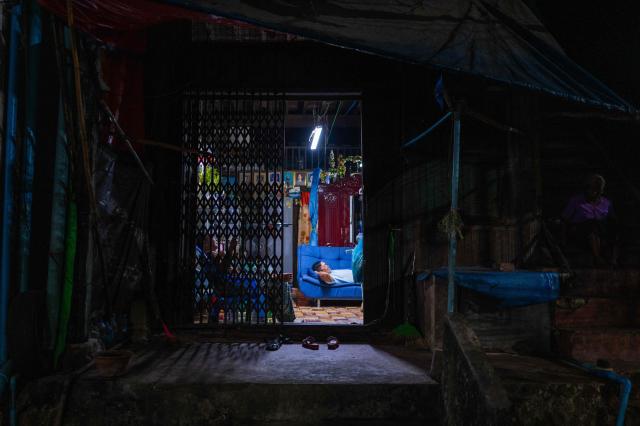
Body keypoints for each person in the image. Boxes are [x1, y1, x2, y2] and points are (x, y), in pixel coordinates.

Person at [561, 174, 619, 266]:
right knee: (591, 225)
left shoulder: (607, 203)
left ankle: (613, 259)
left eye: (595, 190)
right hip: (581, 233)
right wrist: (564, 239)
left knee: (610, 228)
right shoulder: (576, 201)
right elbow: (564, 219)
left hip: (600, 233)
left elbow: (612, 221)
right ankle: (597, 258)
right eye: (589, 189)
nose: (591, 192)